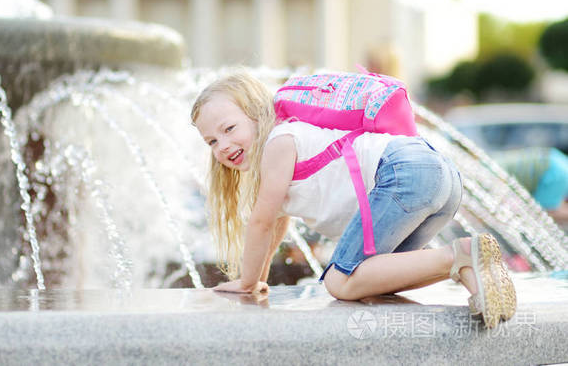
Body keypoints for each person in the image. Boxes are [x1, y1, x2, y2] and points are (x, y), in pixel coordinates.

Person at [191, 71, 517, 328]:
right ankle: (477, 278)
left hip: (405, 172)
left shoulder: (280, 141)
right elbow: (277, 221)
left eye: (229, 128)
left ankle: (458, 255)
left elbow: (261, 222)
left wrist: (246, 283)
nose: (222, 145)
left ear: (255, 113)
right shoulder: (289, 141)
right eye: (211, 141)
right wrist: (259, 279)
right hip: (440, 176)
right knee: (372, 279)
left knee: (340, 280)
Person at [493, 147, 568, 227]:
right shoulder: (563, 178)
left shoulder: (562, 163)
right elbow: (539, 212)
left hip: (493, 164)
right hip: (493, 182)